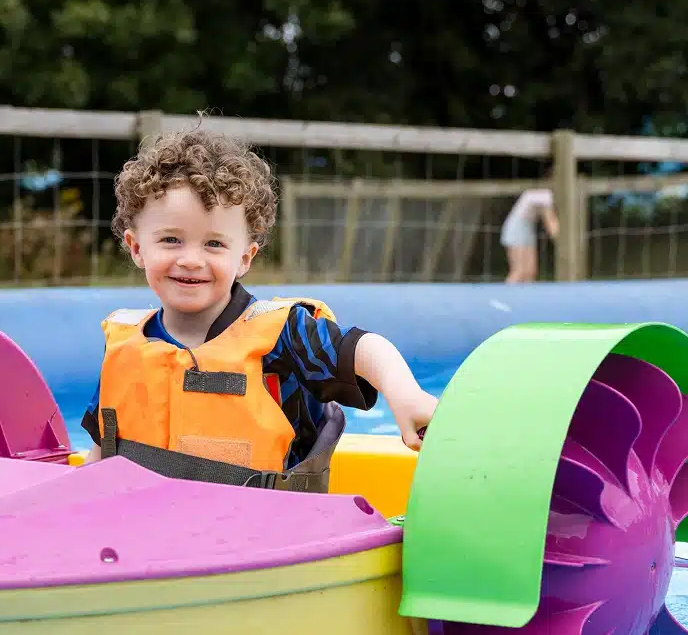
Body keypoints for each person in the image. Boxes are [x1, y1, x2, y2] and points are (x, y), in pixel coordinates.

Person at [81, 127, 437, 492]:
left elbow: (364, 349)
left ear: (245, 257)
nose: (190, 260)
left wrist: (405, 394)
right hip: (149, 530)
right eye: (171, 240)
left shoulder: (284, 334)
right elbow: (101, 453)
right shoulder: (123, 345)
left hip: (263, 532)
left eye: (214, 244)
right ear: (136, 247)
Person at [501, 183, 559, 283]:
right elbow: (550, 223)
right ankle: (506, 297)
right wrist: (563, 241)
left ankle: (525, 298)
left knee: (530, 272)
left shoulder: (545, 194)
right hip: (516, 228)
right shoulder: (544, 194)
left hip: (528, 228)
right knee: (519, 271)